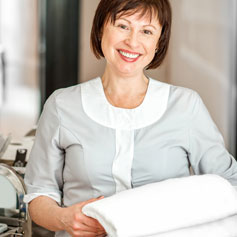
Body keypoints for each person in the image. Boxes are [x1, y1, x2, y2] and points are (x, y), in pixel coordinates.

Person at [24, 0, 237, 236]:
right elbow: (39, 194)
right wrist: (63, 218)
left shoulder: (186, 106)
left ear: (159, 42)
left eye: (146, 31)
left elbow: (229, 185)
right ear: (100, 29)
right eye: (123, 26)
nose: (133, 42)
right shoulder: (62, 105)